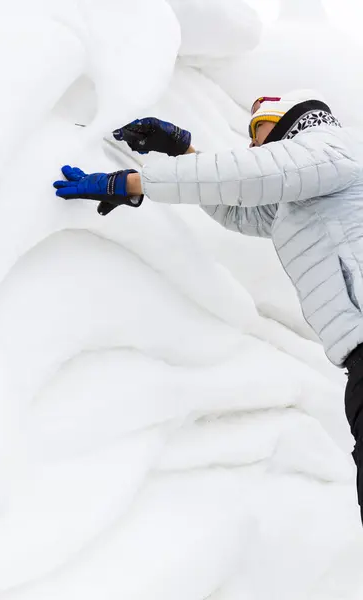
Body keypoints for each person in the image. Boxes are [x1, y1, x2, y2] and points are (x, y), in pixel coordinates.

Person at [53, 91, 363, 523]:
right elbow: (241, 208)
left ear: (291, 119)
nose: (253, 144)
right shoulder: (303, 190)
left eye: (259, 130)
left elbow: (251, 174)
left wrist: (131, 182)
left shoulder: (332, 146)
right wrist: (183, 151)